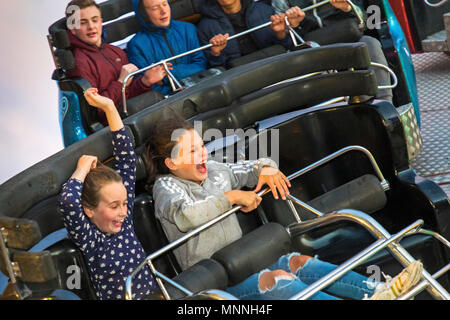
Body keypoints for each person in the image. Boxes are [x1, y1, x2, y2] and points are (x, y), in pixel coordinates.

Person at [145, 117, 423, 300]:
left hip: (246, 263)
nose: (202, 154)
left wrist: (265, 169)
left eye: (201, 146)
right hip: (215, 288)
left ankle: (377, 291)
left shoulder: (215, 170)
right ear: (171, 164)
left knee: (297, 261)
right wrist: (231, 197)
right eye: (192, 151)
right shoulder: (166, 188)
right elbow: (186, 215)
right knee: (279, 279)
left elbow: (253, 166)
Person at [58, 88, 158, 300]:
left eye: (123, 203)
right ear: (90, 211)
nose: (123, 211)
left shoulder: (125, 218)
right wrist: (82, 169)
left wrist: (109, 107)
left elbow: (127, 159)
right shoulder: (90, 239)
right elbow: (68, 201)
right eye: (114, 206)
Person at [64, 0, 169, 125]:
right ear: (72, 29)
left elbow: (128, 94)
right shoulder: (79, 63)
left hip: (132, 114)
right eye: (83, 22)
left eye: (95, 20)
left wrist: (146, 81)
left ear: (101, 22)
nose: (91, 27)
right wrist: (120, 82)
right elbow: (98, 111)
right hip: (115, 125)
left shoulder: (115, 51)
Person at [271, 0, 393, 102]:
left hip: (349, 39)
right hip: (313, 52)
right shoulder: (282, 2)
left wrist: (347, 7)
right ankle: (339, 110)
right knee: (311, 66)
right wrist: (288, 28)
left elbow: (369, 20)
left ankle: (386, 103)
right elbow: (286, 47)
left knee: (370, 42)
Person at [127, 0, 207, 95]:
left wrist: (166, 77)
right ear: (143, 14)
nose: (163, 11)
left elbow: (201, 65)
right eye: (155, 8)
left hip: (202, 88)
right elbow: (150, 86)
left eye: (165, 4)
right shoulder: (137, 45)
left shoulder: (188, 29)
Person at [196, 0, 304, 68]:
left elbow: (288, 47)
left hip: (276, 65)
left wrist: (280, 33)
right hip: (240, 80)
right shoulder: (205, 26)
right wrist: (216, 53)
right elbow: (215, 70)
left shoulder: (263, 9)